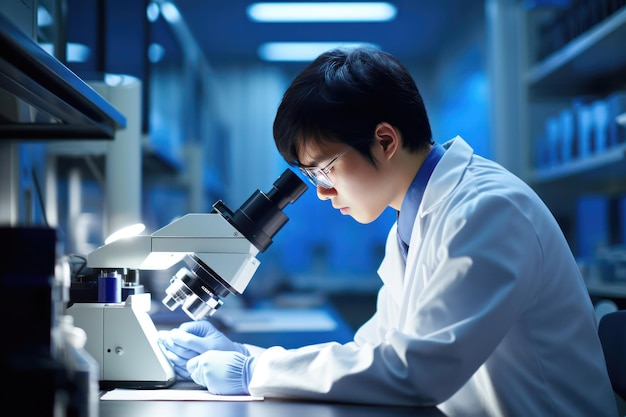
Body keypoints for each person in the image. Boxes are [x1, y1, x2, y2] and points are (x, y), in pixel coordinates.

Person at [157, 46, 617, 416]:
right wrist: (246, 353)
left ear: (385, 140)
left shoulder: (487, 210)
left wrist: (252, 369)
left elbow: (415, 371)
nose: (321, 192)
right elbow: (375, 349)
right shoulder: (416, 218)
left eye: (325, 170)